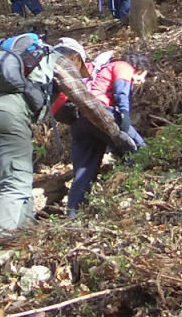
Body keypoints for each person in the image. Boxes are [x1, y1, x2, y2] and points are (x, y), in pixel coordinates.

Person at [0, 36, 135, 238]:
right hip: (7, 116)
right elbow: (86, 103)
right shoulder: (59, 61)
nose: (83, 75)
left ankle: (22, 236)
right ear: (76, 58)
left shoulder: (29, 65)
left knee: (11, 185)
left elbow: (65, 111)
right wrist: (115, 132)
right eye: (82, 70)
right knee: (16, 188)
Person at [64, 51, 152, 218]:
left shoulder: (99, 71)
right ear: (139, 69)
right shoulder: (123, 66)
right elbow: (121, 91)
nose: (142, 81)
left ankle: (73, 214)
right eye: (143, 76)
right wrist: (124, 116)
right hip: (101, 113)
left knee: (84, 169)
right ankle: (134, 195)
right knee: (140, 151)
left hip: (79, 120)